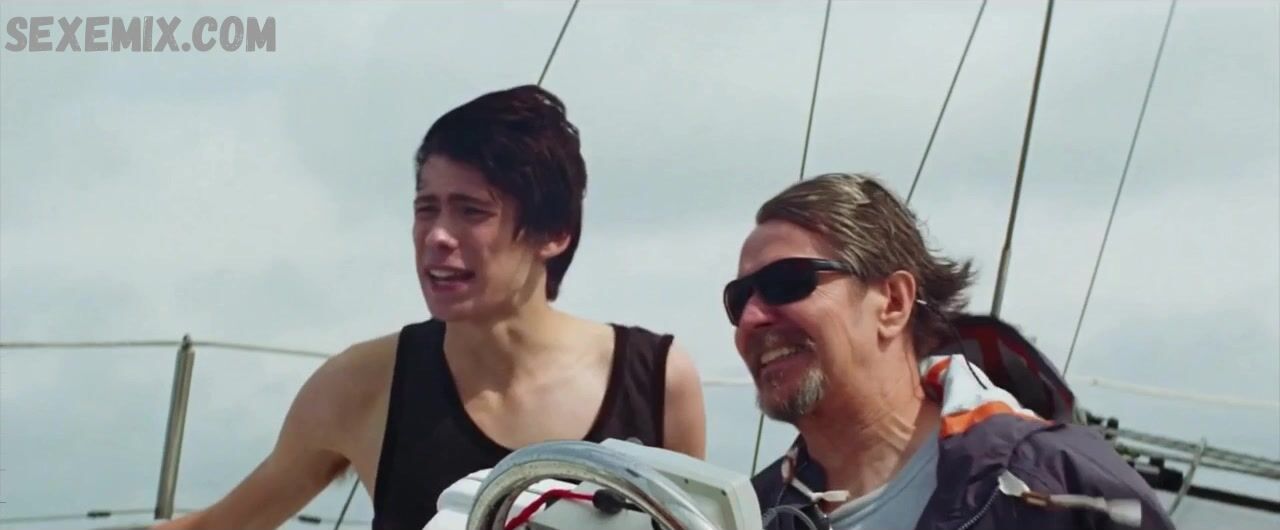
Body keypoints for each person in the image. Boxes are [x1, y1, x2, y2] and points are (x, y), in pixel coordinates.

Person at [154, 85, 707, 530]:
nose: (437, 235)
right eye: (426, 208)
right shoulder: (362, 384)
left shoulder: (656, 381)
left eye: (471, 211)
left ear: (554, 233)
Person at [727, 173, 1173, 529]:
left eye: (786, 283)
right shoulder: (743, 518)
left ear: (894, 303)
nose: (750, 319)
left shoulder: (1064, 486)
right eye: (738, 299)